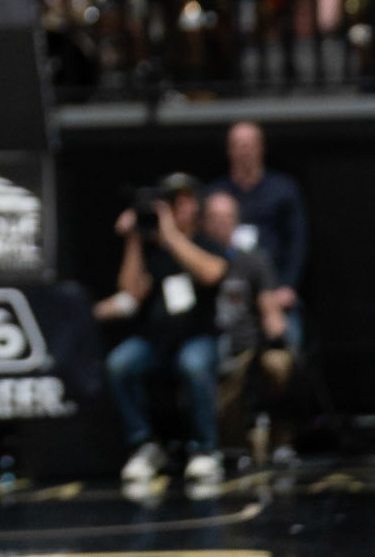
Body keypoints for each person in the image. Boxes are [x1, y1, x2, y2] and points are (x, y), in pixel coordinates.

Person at [97, 173, 228, 489]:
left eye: (184, 202)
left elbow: (212, 274)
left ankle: (205, 449)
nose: (178, 208)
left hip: (199, 337)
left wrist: (171, 236)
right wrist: (134, 239)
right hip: (157, 341)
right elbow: (130, 292)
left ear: (196, 206)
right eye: (172, 203)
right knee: (119, 363)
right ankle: (144, 445)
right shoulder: (155, 250)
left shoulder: (206, 242)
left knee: (193, 364)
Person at [201, 190, 296, 462]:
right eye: (213, 217)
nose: (219, 222)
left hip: (252, 342)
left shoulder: (253, 259)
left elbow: (269, 306)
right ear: (204, 221)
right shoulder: (196, 257)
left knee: (280, 365)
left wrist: (276, 334)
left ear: (236, 220)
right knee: (226, 373)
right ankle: (236, 447)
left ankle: (281, 440)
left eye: (226, 216)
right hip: (216, 341)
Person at [209, 122, 308, 346]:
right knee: (219, 354)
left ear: (261, 148)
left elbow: (297, 242)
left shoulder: (283, 189)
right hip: (231, 294)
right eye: (238, 145)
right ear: (229, 150)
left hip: (276, 289)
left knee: (286, 347)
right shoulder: (217, 193)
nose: (244, 151)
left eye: (249, 145)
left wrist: (288, 285)